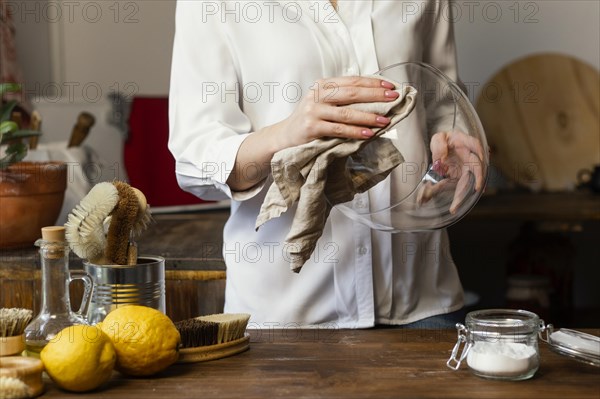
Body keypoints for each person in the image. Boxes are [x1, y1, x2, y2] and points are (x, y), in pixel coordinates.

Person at [169, 0, 481, 328]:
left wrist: (454, 140)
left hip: (422, 299)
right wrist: (285, 134)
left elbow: (443, 103)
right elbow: (195, 159)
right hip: (288, 316)